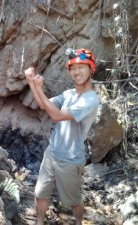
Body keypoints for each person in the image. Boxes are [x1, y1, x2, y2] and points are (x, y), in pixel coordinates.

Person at [24, 48, 100, 225]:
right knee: (40, 194)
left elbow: (56, 116)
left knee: (73, 201)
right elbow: (44, 105)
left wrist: (39, 88)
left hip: (71, 159)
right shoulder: (69, 94)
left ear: (91, 68)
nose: (76, 72)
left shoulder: (90, 99)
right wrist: (32, 83)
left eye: (81, 67)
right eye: (72, 68)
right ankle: (40, 222)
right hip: (52, 153)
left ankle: (79, 222)